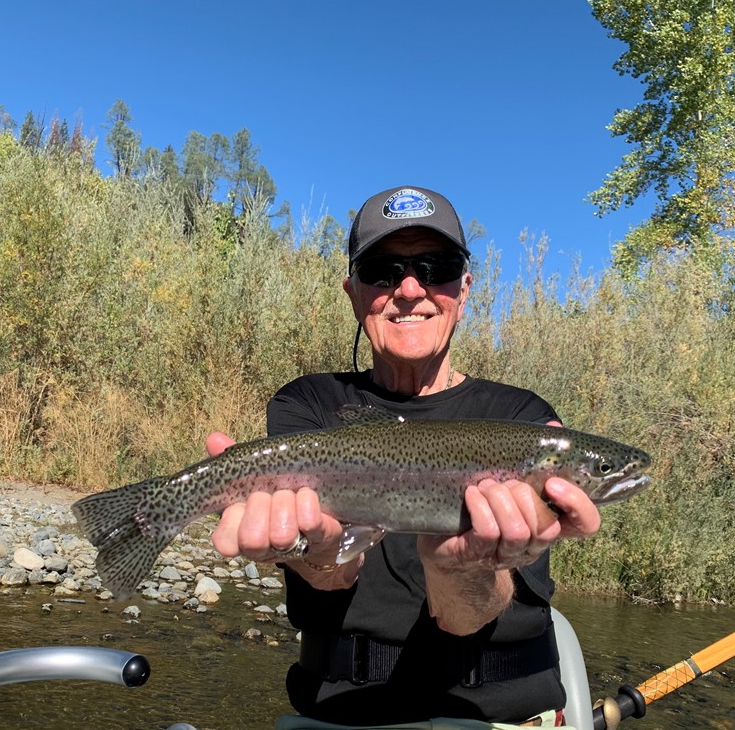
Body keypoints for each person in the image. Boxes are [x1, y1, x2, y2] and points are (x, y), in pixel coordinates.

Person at [206, 186, 601, 729]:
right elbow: (326, 577)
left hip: (498, 716)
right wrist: (319, 553)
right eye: (383, 269)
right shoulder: (311, 406)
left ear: (464, 288)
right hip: (344, 716)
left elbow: (473, 613)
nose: (410, 289)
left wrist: (459, 565)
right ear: (353, 291)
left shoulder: (521, 421)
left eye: (434, 267)